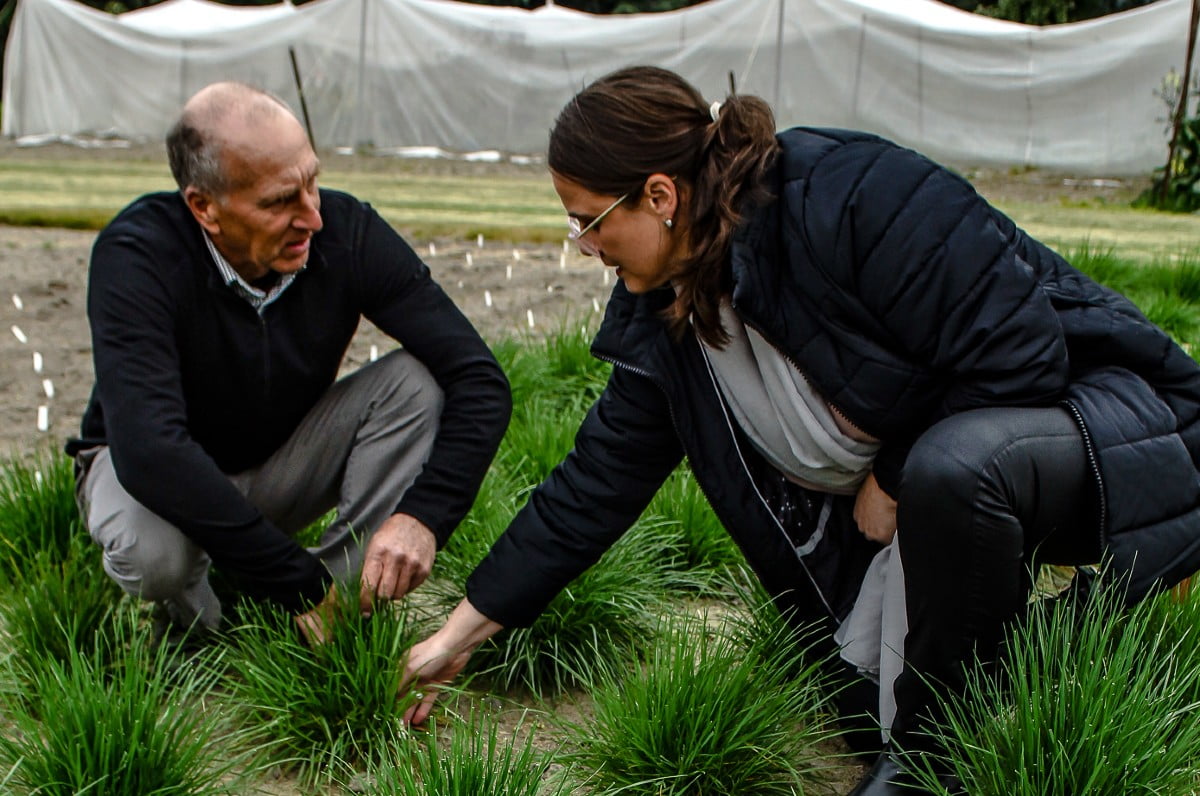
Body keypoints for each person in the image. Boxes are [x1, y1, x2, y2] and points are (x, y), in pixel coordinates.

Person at [401, 65, 1200, 794]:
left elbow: (1023, 354)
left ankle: (928, 766)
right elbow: (597, 480)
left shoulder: (850, 192)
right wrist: (463, 630)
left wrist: (891, 474)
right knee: (857, 702)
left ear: (658, 196)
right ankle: (1050, 652)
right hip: (975, 458)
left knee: (951, 470)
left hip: (1109, 420)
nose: (581, 246)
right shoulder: (669, 305)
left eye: (587, 221)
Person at [68, 82, 511, 643]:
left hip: (277, 459)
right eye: (280, 201)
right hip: (149, 479)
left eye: (313, 183)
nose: (313, 217)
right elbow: (151, 452)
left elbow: (480, 379)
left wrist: (424, 515)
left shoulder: (346, 234)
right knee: (155, 557)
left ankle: (338, 610)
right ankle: (202, 628)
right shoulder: (138, 255)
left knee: (418, 382)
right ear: (204, 207)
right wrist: (294, 580)